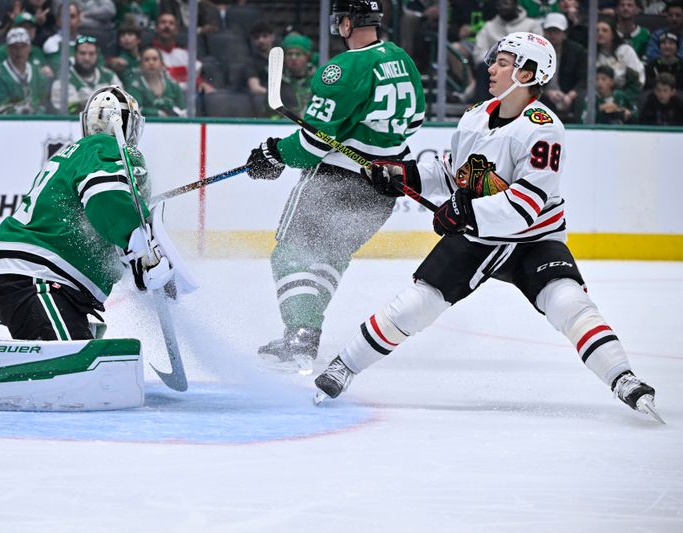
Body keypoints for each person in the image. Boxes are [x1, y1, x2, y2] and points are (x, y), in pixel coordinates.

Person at [312, 31, 661, 423]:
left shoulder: (544, 129)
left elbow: (526, 205)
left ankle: (623, 378)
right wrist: (402, 173)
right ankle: (345, 365)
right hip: (479, 237)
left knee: (568, 302)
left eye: (502, 62)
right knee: (417, 303)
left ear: (528, 73)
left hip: (533, 238)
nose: (490, 67)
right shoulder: (477, 114)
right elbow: (452, 171)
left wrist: (464, 212)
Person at [244, 0, 425, 374]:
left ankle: (300, 335)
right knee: (330, 257)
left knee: (291, 253)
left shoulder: (341, 69)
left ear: (346, 23)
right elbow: (415, 119)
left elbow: (311, 147)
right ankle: (306, 331)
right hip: (382, 189)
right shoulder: (401, 59)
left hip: (335, 181)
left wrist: (274, 152)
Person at [0, 86, 173, 341]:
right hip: (34, 278)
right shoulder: (106, 148)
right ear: (123, 123)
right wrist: (139, 250)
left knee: (83, 363)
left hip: (37, 279)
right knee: (70, 366)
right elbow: (105, 196)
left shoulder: (78, 153)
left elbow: (101, 224)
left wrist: (140, 265)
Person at [0, 27, 51, 114]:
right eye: (14, 47)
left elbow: (44, 103)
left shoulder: (38, 73)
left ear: (29, 48)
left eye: (23, 46)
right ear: (8, 49)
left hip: (36, 124)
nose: (19, 51)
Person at [50, 35, 122, 114]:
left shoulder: (109, 76)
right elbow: (72, 109)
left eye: (91, 54)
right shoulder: (63, 79)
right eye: (82, 53)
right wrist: (106, 103)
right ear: (75, 55)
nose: (86, 58)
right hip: (74, 124)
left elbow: (120, 102)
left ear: (97, 55)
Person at [541, 12, 587, 122]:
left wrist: (571, 95)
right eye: (549, 31)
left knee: (583, 98)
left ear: (565, 33)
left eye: (556, 31)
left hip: (569, 96)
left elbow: (584, 79)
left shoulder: (577, 51)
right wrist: (547, 92)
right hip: (544, 96)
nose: (552, 35)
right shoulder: (537, 51)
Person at [124, 45, 184, 116]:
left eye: (155, 59)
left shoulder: (172, 84)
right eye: (146, 60)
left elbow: (183, 110)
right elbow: (134, 110)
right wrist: (158, 113)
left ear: (161, 63)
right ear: (141, 64)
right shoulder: (135, 86)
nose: (151, 62)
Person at [596, 17, 645, 99]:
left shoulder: (625, 51)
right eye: (597, 30)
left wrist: (623, 97)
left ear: (613, 34)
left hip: (624, 94)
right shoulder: (591, 54)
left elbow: (638, 79)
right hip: (597, 96)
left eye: (604, 30)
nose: (600, 33)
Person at [279, 33, 315, 115]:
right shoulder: (278, 83)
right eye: (290, 54)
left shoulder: (317, 80)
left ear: (307, 57)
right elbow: (268, 113)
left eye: (298, 54)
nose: (293, 58)